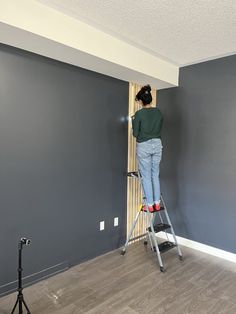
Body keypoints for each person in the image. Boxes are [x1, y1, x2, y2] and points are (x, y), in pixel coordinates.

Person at [132, 85, 163, 213]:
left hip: (144, 146)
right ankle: (157, 203)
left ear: (141, 101)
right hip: (157, 144)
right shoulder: (158, 112)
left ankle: (149, 205)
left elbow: (135, 134)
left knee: (146, 176)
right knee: (155, 175)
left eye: (138, 101)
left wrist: (134, 122)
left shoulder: (138, 114)